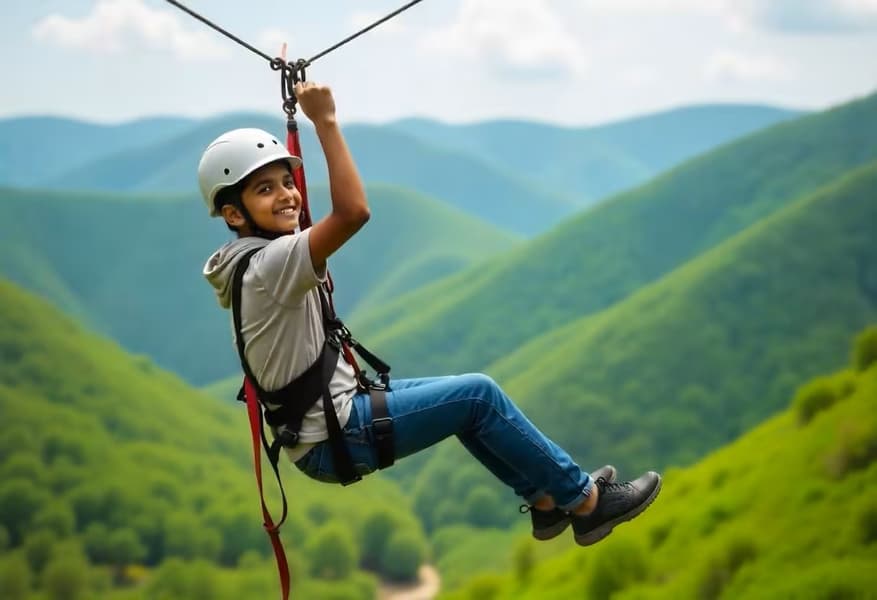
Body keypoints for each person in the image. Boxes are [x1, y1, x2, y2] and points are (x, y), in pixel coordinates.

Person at [200, 81, 661, 546]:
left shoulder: (248, 263)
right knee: (477, 396)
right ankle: (586, 503)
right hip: (337, 434)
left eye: (287, 181)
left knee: (467, 404)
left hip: (327, 427)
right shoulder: (270, 266)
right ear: (234, 214)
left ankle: (543, 500)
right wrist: (325, 121)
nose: (288, 195)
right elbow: (353, 212)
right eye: (265, 189)